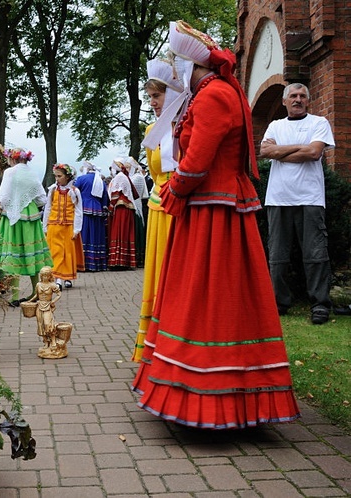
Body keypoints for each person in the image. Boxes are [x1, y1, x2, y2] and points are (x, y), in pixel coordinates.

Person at [132, 21, 300, 429]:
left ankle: (205, 391)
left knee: (207, 293)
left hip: (213, 207)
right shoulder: (219, 93)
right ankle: (226, 391)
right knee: (214, 290)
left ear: (194, 66)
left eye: (178, 64)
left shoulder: (214, 97)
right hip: (215, 203)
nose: (175, 72)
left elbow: (197, 161)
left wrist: (176, 190)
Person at [259, 83, 335, 325]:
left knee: (315, 254)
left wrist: (280, 151)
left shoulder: (319, 123)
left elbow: (314, 153)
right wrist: (298, 148)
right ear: (284, 101)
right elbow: (264, 151)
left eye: (302, 96)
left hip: (310, 198)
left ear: (308, 100)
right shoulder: (275, 125)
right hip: (278, 198)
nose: (298, 99)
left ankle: (320, 304)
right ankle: (278, 303)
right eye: (293, 96)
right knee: (277, 255)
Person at [131, 58, 183, 362]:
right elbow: (154, 171)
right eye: (150, 97)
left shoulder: (188, 124)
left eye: (157, 96)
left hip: (181, 206)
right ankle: (154, 347)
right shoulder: (152, 129)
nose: (152, 103)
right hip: (157, 206)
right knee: (158, 272)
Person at [0, 147, 53, 305]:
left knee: (14, 253)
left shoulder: (10, 172)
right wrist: (27, 200)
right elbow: (42, 199)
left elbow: (2, 197)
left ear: (12, 159)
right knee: (32, 253)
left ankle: (14, 297)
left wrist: (11, 202)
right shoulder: (31, 172)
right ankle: (36, 292)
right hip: (31, 216)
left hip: (13, 215)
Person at [43, 163, 84, 288]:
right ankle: (58, 279)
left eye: (59, 176)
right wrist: (45, 225)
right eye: (56, 176)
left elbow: (78, 210)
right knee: (56, 252)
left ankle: (66, 277)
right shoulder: (53, 190)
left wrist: (77, 228)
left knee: (67, 252)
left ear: (67, 177)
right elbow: (48, 208)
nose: (57, 179)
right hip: (54, 224)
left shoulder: (74, 191)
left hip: (68, 225)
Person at [73, 161, 109, 271]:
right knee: (96, 235)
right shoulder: (100, 181)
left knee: (84, 234)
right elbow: (105, 198)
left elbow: (74, 192)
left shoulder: (81, 179)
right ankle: (96, 263)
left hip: (83, 208)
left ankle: (82, 262)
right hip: (97, 210)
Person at [107, 158, 138, 270]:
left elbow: (115, 194)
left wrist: (110, 208)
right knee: (125, 233)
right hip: (127, 208)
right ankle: (126, 261)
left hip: (121, 209)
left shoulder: (119, 177)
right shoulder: (124, 177)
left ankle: (118, 261)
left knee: (119, 233)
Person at [26, 266, 61, 354]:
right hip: (39, 305)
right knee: (40, 325)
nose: (45, 277)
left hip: (48, 305)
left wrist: (53, 301)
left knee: (48, 324)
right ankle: (46, 341)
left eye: (47, 276)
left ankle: (53, 340)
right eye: (43, 276)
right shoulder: (38, 284)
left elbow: (59, 294)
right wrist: (29, 301)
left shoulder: (52, 285)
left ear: (50, 276)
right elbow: (36, 295)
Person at [127, 157, 149, 267]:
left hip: (136, 207)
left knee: (137, 232)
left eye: (128, 167)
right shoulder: (133, 177)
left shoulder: (137, 178)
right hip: (133, 207)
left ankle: (138, 257)